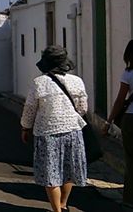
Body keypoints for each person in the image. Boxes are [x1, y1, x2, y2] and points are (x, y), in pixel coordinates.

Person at [21, 46, 88, 212]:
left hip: (47, 133)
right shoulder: (77, 81)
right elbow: (83, 108)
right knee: (68, 170)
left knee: (51, 174)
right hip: (73, 131)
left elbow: (30, 109)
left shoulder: (39, 83)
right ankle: (63, 205)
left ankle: (57, 210)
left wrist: (25, 127)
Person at [104, 39, 133, 208]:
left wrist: (109, 121)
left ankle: (132, 199)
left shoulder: (128, 74)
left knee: (132, 160)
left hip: (132, 119)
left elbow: (120, 100)